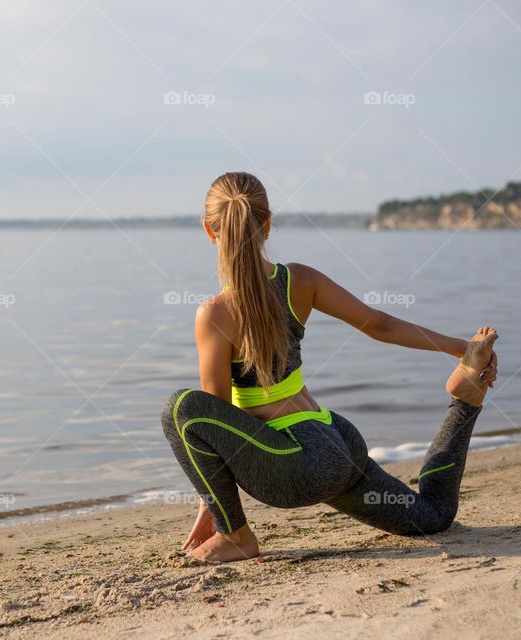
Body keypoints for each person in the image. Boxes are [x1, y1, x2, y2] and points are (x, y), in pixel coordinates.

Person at [161, 171, 499, 563]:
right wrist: (463, 349)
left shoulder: (214, 314)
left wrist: (217, 511)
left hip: (296, 468)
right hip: (337, 441)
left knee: (181, 409)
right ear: (268, 224)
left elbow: (214, 419)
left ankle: (237, 536)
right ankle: (465, 403)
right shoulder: (299, 280)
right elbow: (380, 325)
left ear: (209, 230)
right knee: (434, 516)